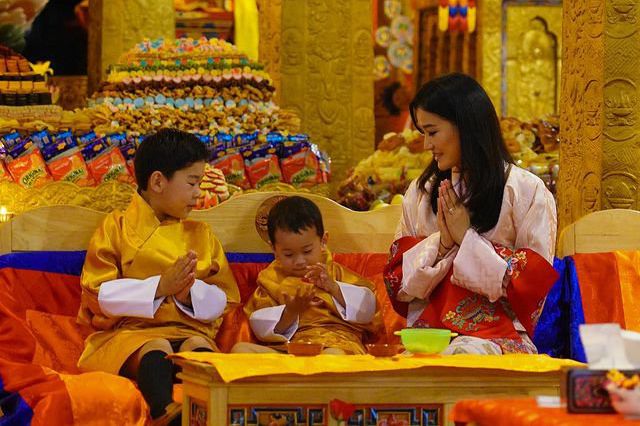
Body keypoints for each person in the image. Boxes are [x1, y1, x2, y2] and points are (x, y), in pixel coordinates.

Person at [384, 73, 558, 355]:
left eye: (432, 132)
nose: (427, 145)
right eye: (423, 133)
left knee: (463, 356)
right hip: (428, 334)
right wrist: (441, 244)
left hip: (499, 337)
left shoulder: (526, 191)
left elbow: (532, 288)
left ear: (466, 126)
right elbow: (398, 286)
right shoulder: (420, 192)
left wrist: (467, 238)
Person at [76, 128, 240, 424]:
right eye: (192, 182)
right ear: (157, 181)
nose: (198, 193)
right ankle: (164, 409)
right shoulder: (116, 227)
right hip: (133, 332)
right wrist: (159, 287)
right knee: (157, 347)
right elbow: (97, 292)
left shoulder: (201, 234)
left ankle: (213, 407)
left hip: (190, 330)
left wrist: (187, 294)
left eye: (200, 183)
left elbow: (226, 297)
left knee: (195, 350)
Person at [232, 196, 381, 355]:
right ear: (274, 249)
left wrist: (334, 288)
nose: (299, 261)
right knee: (240, 350)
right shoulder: (270, 279)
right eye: (288, 254)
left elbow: (368, 310)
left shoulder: (335, 272)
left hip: (336, 341)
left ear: (323, 241)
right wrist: (291, 312)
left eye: (307, 251)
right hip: (292, 347)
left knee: (332, 356)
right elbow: (260, 328)